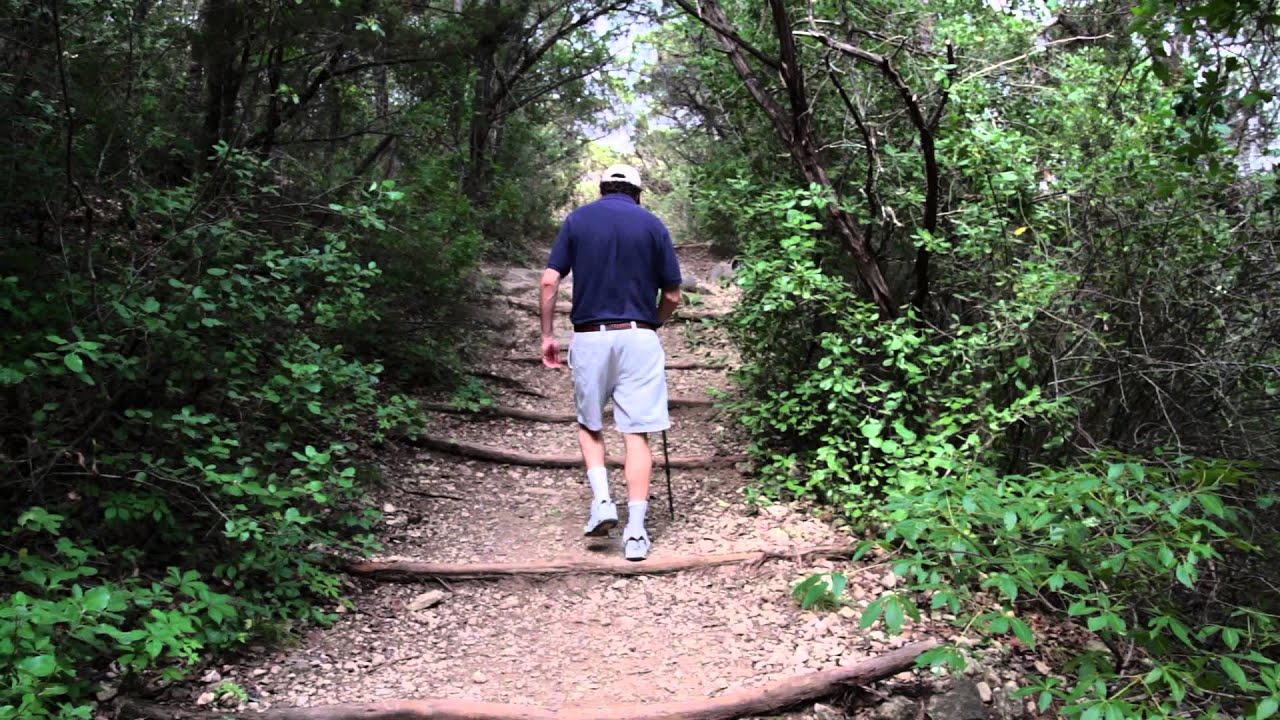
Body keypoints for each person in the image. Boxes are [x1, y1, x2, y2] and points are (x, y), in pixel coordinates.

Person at [539, 163, 682, 561]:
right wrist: (652, 324)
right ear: (638, 193)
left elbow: (549, 280)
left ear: (601, 189)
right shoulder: (653, 225)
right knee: (637, 433)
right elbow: (672, 295)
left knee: (590, 423)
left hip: (590, 336)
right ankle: (636, 533)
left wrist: (548, 335)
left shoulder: (578, 220)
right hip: (638, 335)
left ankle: (603, 501)